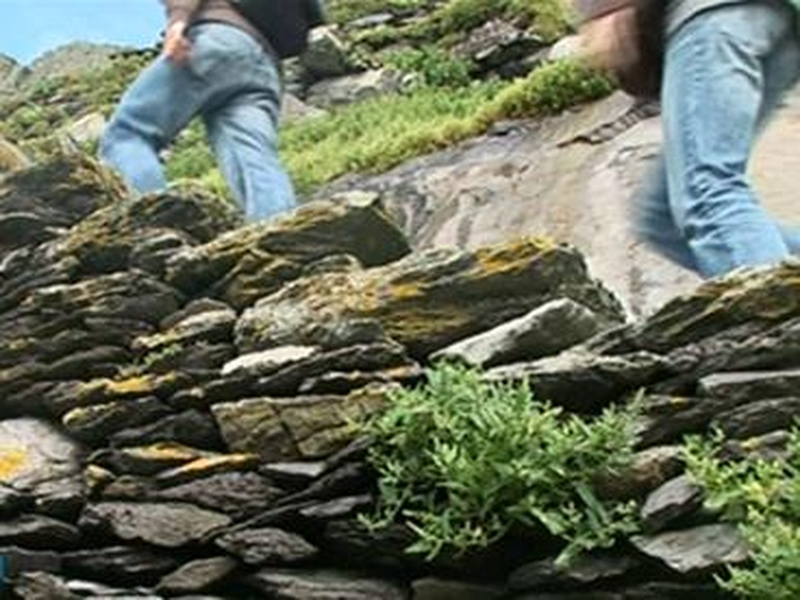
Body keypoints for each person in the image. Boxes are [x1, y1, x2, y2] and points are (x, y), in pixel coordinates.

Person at [633, 0, 800, 278]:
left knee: (709, 192)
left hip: (714, 15)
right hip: (775, 20)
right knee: (660, 220)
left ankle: (783, 316)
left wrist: (605, 8)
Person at [100, 0, 296, 221]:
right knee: (252, 156)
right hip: (264, 64)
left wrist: (178, 22)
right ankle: (281, 235)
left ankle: (159, 233)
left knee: (127, 134)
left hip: (216, 42)